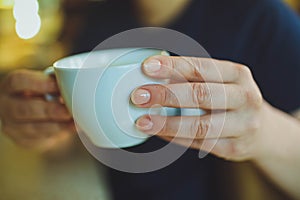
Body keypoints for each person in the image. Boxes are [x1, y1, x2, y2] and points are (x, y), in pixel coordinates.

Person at [0, 0, 300, 199]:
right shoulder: (100, 21)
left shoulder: (260, 17)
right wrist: (38, 121)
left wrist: (262, 131)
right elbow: (73, 136)